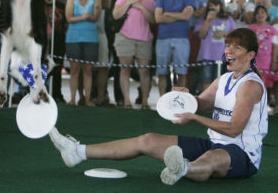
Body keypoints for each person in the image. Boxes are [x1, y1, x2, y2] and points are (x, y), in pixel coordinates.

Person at [49, 28, 268, 185]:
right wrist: (186, 98)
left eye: (237, 47)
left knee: (209, 160)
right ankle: (77, 151)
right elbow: (200, 103)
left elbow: (234, 129)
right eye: (228, 45)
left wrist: (194, 118)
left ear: (251, 55)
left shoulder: (250, 85)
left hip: (243, 155)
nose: (229, 51)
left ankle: (183, 168)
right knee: (147, 140)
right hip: (214, 143)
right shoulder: (224, 79)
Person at [113, 0, 155, 109]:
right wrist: (129, 3)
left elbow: (153, 20)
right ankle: (126, 101)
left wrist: (142, 7)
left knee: (144, 72)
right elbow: (115, 14)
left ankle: (144, 101)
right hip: (126, 38)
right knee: (125, 69)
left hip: (144, 39)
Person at [72, 0, 111, 106]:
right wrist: (95, 0)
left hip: (99, 30)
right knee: (81, 67)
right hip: (79, 31)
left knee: (102, 65)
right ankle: (82, 97)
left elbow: (107, 3)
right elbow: (73, 3)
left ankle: (100, 97)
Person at [155, 0, 195, 94]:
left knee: (181, 72)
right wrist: (179, 15)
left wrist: (167, 13)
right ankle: (161, 100)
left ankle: (179, 101)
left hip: (182, 38)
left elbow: (186, 16)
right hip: (163, 38)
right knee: (162, 72)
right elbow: (158, 18)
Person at [65, 0, 101, 106]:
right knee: (74, 69)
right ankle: (73, 99)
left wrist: (88, 17)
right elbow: (68, 18)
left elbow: (96, 17)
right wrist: (83, 17)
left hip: (91, 38)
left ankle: (87, 99)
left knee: (88, 70)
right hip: (73, 38)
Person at [194, 0, 236, 92]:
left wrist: (224, 33)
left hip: (223, 56)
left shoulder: (227, 19)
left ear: (220, 6)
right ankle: (208, 104)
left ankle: (219, 104)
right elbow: (200, 35)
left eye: (216, 5)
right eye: (211, 5)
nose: (213, 7)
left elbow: (235, 35)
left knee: (222, 81)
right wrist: (208, 21)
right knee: (206, 80)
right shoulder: (203, 19)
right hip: (207, 55)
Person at [248, 5, 278, 113]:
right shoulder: (250, 28)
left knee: (265, 83)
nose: (260, 15)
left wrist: (274, 61)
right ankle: (250, 106)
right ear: (255, 16)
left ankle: (263, 106)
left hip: (267, 60)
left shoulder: (272, 29)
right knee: (252, 82)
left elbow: (275, 46)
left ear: (266, 14)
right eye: (258, 13)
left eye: (262, 12)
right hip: (252, 60)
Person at [104, 0, 126, 106]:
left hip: (122, 32)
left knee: (119, 66)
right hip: (104, 30)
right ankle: (100, 95)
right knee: (102, 65)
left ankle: (120, 97)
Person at [45, 0, 68, 104]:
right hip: (42, 43)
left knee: (57, 68)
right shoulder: (37, 6)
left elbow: (66, 24)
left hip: (58, 41)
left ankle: (56, 94)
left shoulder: (61, 6)